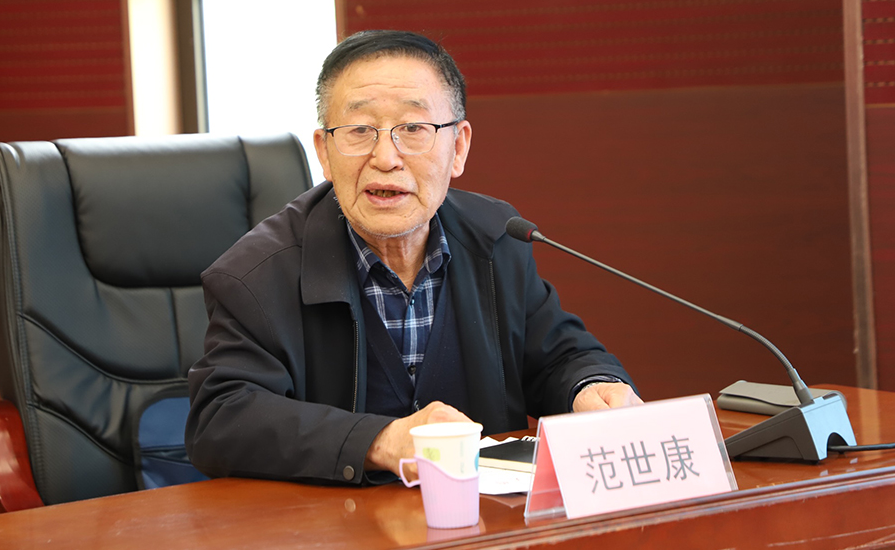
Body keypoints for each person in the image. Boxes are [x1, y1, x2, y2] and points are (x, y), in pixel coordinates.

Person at [185, 30, 641, 485]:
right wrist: (380, 441)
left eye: (413, 129)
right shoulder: (255, 274)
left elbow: (558, 357)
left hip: (477, 516)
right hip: (331, 519)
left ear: (458, 147)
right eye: (360, 131)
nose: (386, 158)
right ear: (323, 152)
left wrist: (591, 386)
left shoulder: (495, 240)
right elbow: (222, 418)